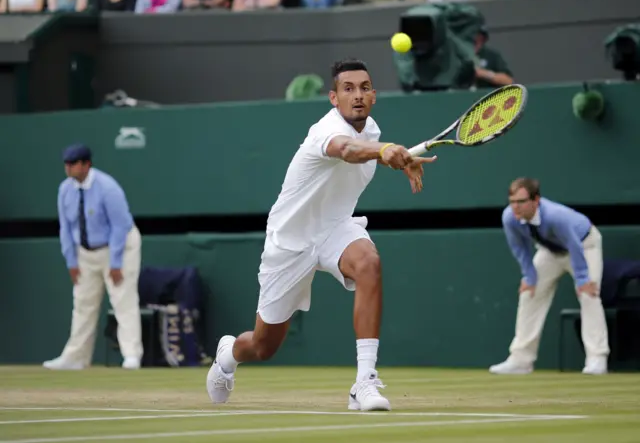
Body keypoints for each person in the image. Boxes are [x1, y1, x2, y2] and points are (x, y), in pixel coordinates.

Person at [206, 58, 437, 411]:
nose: (357, 95)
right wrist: (384, 150)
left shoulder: (371, 131)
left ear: (374, 95)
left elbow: (366, 150)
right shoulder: (324, 131)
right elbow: (346, 150)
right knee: (263, 347)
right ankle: (229, 354)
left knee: (369, 263)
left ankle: (364, 382)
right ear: (333, 98)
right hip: (290, 241)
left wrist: (396, 156)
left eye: (364, 88)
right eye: (348, 89)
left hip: (334, 228)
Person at [490, 177, 609, 375]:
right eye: (512, 202)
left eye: (521, 202)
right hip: (550, 251)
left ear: (536, 200)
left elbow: (574, 244)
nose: (515, 207)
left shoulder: (555, 216)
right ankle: (521, 359)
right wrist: (529, 276)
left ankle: (597, 359)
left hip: (584, 245)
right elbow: (520, 249)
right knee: (529, 293)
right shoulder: (509, 217)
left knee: (589, 294)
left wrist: (582, 279)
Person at [43, 144, 144, 370]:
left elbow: (119, 226)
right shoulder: (65, 190)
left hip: (119, 248)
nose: (68, 168)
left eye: (73, 163)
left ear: (86, 164)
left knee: (123, 300)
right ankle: (76, 358)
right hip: (85, 253)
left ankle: (131, 356)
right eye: (66, 164)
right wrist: (72, 261)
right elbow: (66, 228)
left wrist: (116, 262)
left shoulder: (108, 188)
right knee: (83, 304)